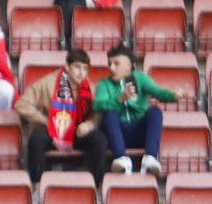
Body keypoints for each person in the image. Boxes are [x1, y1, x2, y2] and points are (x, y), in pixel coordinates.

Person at [16, 49, 106, 183]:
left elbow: (98, 112)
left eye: (85, 69)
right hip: (53, 130)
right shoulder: (49, 82)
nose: (81, 72)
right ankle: (37, 185)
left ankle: (96, 186)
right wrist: (45, 120)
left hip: (77, 131)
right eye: (77, 67)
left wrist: (89, 124)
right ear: (67, 67)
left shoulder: (91, 89)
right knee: (36, 139)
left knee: (99, 140)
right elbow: (21, 104)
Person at [91, 46, 173, 176]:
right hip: (116, 135)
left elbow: (159, 92)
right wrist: (119, 99)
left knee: (155, 111)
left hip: (139, 132)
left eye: (116, 63)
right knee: (109, 114)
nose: (111, 68)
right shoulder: (104, 84)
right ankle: (120, 158)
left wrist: (174, 96)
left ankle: (150, 157)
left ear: (129, 65)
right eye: (109, 64)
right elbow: (97, 105)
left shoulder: (140, 78)